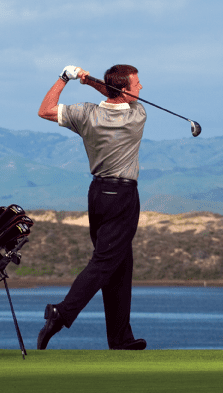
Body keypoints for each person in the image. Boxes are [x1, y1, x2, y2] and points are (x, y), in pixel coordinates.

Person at [36, 64, 147, 350]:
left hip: (97, 194)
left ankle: (120, 338)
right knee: (105, 262)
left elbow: (45, 110)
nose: (141, 89)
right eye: (137, 84)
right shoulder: (137, 115)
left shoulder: (86, 114)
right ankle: (62, 312)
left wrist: (66, 79)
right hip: (123, 196)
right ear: (125, 91)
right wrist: (91, 82)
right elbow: (119, 97)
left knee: (119, 263)